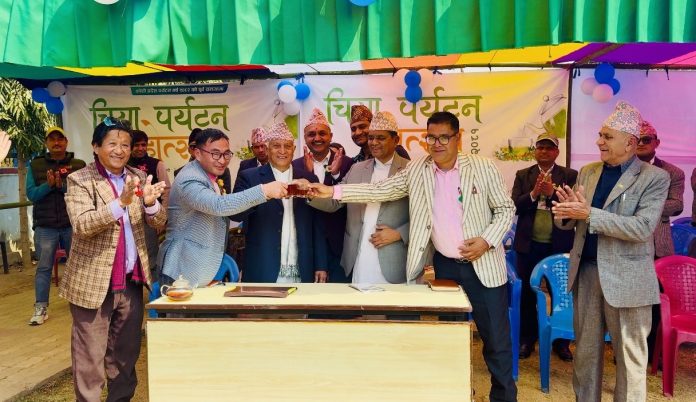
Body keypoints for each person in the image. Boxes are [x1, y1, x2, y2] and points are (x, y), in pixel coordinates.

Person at [307, 111, 517, 402]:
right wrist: (332, 190)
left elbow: (505, 210)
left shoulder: (483, 167)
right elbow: (379, 189)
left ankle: (503, 397)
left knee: (495, 341)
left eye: (444, 138)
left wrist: (486, 240)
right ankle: (453, 393)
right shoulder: (418, 169)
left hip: (483, 266)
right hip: (445, 268)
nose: (437, 144)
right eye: (431, 138)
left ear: (458, 138)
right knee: (449, 338)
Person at [552, 101, 670, 402]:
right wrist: (565, 213)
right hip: (587, 275)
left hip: (628, 279)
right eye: (599, 135)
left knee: (630, 361)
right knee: (585, 356)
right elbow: (574, 221)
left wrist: (588, 213)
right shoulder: (588, 172)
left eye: (607, 136)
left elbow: (642, 228)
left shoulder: (654, 178)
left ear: (629, 143)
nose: (599, 142)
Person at [59, 117, 167, 401]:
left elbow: (159, 223)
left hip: (130, 283)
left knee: (125, 358)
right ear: (96, 147)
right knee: (90, 361)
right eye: (112, 144)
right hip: (93, 284)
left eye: (125, 145)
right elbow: (83, 224)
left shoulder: (139, 176)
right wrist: (121, 203)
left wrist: (151, 204)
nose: (120, 150)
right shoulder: (80, 179)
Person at [158, 128, 288, 287]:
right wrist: (264, 191)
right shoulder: (189, 179)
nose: (222, 160)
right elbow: (218, 205)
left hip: (201, 269)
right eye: (215, 154)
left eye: (226, 154)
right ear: (197, 153)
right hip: (182, 270)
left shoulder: (208, 175)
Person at [310, 111, 409, 284]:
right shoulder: (357, 168)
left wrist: (399, 234)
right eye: (371, 138)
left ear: (395, 140)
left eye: (381, 138)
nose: (374, 143)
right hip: (359, 257)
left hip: (394, 258)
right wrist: (308, 193)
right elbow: (334, 202)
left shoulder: (410, 169)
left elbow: (425, 216)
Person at [232, 122, 327, 283]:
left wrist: (321, 264)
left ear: (293, 149)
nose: (282, 151)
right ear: (268, 149)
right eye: (276, 146)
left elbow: (318, 224)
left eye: (287, 146)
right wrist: (263, 193)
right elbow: (235, 214)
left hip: (302, 265)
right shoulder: (249, 177)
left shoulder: (309, 179)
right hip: (263, 265)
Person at [511, 133, 577, 361]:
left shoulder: (569, 175)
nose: (544, 151)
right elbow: (514, 206)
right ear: (535, 151)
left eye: (549, 148)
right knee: (527, 295)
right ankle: (527, 340)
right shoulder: (523, 175)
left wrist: (551, 195)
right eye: (540, 147)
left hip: (559, 245)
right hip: (528, 246)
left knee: (561, 293)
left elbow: (573, 208)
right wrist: (533, 194)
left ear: (557, 152)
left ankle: (561, 343)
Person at [635, 119, 685, 362]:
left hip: (658, 245)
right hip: (629, 244)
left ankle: (655, 353)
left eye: (647, 139)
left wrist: (644, 206)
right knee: (633, 299)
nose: (642, 143)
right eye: (638, 139)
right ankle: (633, 350)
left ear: (657, 143)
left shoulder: (673, 172)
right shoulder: (623, 169)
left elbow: (677, 205)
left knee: (656, 301)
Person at [26, 126, 86, 325]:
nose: (56, 143)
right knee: (44, 268)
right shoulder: (35, 165)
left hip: (72, 224)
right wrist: (48, 186)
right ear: (46, 143)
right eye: (52, 139)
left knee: (77, 265)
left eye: (60, 139)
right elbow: (32, 194)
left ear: (66, 142)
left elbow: (83, 193)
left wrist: (62, 187)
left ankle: (81, 305)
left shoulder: (78, 165)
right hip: (45, 226)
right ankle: (40, 308)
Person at [292, 108, 354, 283]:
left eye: (322, 133)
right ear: (305, 138)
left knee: (340, 295)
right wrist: (308, 175)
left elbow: (346, 198)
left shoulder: (348, 163)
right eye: (311, 134)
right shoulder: (295, 166)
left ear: (331, 136)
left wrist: (336, 175)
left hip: (339, 245)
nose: (317, 138)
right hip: (307, 245)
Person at [128, 129, 172, 276]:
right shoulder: (123, 165)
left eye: (143, 145)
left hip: (150, 220)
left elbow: (166, 191)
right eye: (136, 145)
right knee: (131, 259)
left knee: (152, 259)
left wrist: (161, 219)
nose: (140, 148)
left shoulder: (157, 164)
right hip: (129, 220)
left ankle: (153, 289)